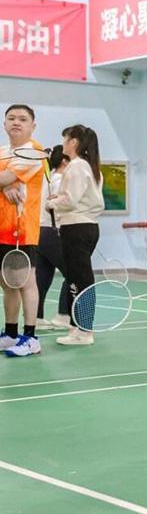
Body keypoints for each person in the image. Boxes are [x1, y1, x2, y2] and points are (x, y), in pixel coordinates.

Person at [49, 125, 104, 347]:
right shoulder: (90, 167)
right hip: (85, 227)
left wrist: (51, 203)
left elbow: (70, 200)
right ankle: (76, 327)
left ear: (73, 142)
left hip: (76, 228)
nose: (63, 143)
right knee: (75, 278)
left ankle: (85, 330)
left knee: (80, 280)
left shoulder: (77, 166)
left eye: (65, 139)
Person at [0, 104, 46, 357]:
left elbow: (6, 178)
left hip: (22, 227)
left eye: (22, 119)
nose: (16, 122)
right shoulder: (3, 152)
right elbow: (4, 180)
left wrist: (6, 182)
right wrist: (5, 185)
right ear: (4, 124)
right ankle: (10, 334)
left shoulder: (33, 152)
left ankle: (31, 338)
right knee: (8, 284)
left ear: (32, 125)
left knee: (26, 283)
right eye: (11, 118)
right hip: (1, 228)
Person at [35, 145, 72, 330]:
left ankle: (36, 317)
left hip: (40, 232)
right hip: (52, 231)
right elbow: (60, 207)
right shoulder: (59, 180)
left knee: (42, 277)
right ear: (64, 161)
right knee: (72, 272)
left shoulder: (46, 179)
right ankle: (63, 315)